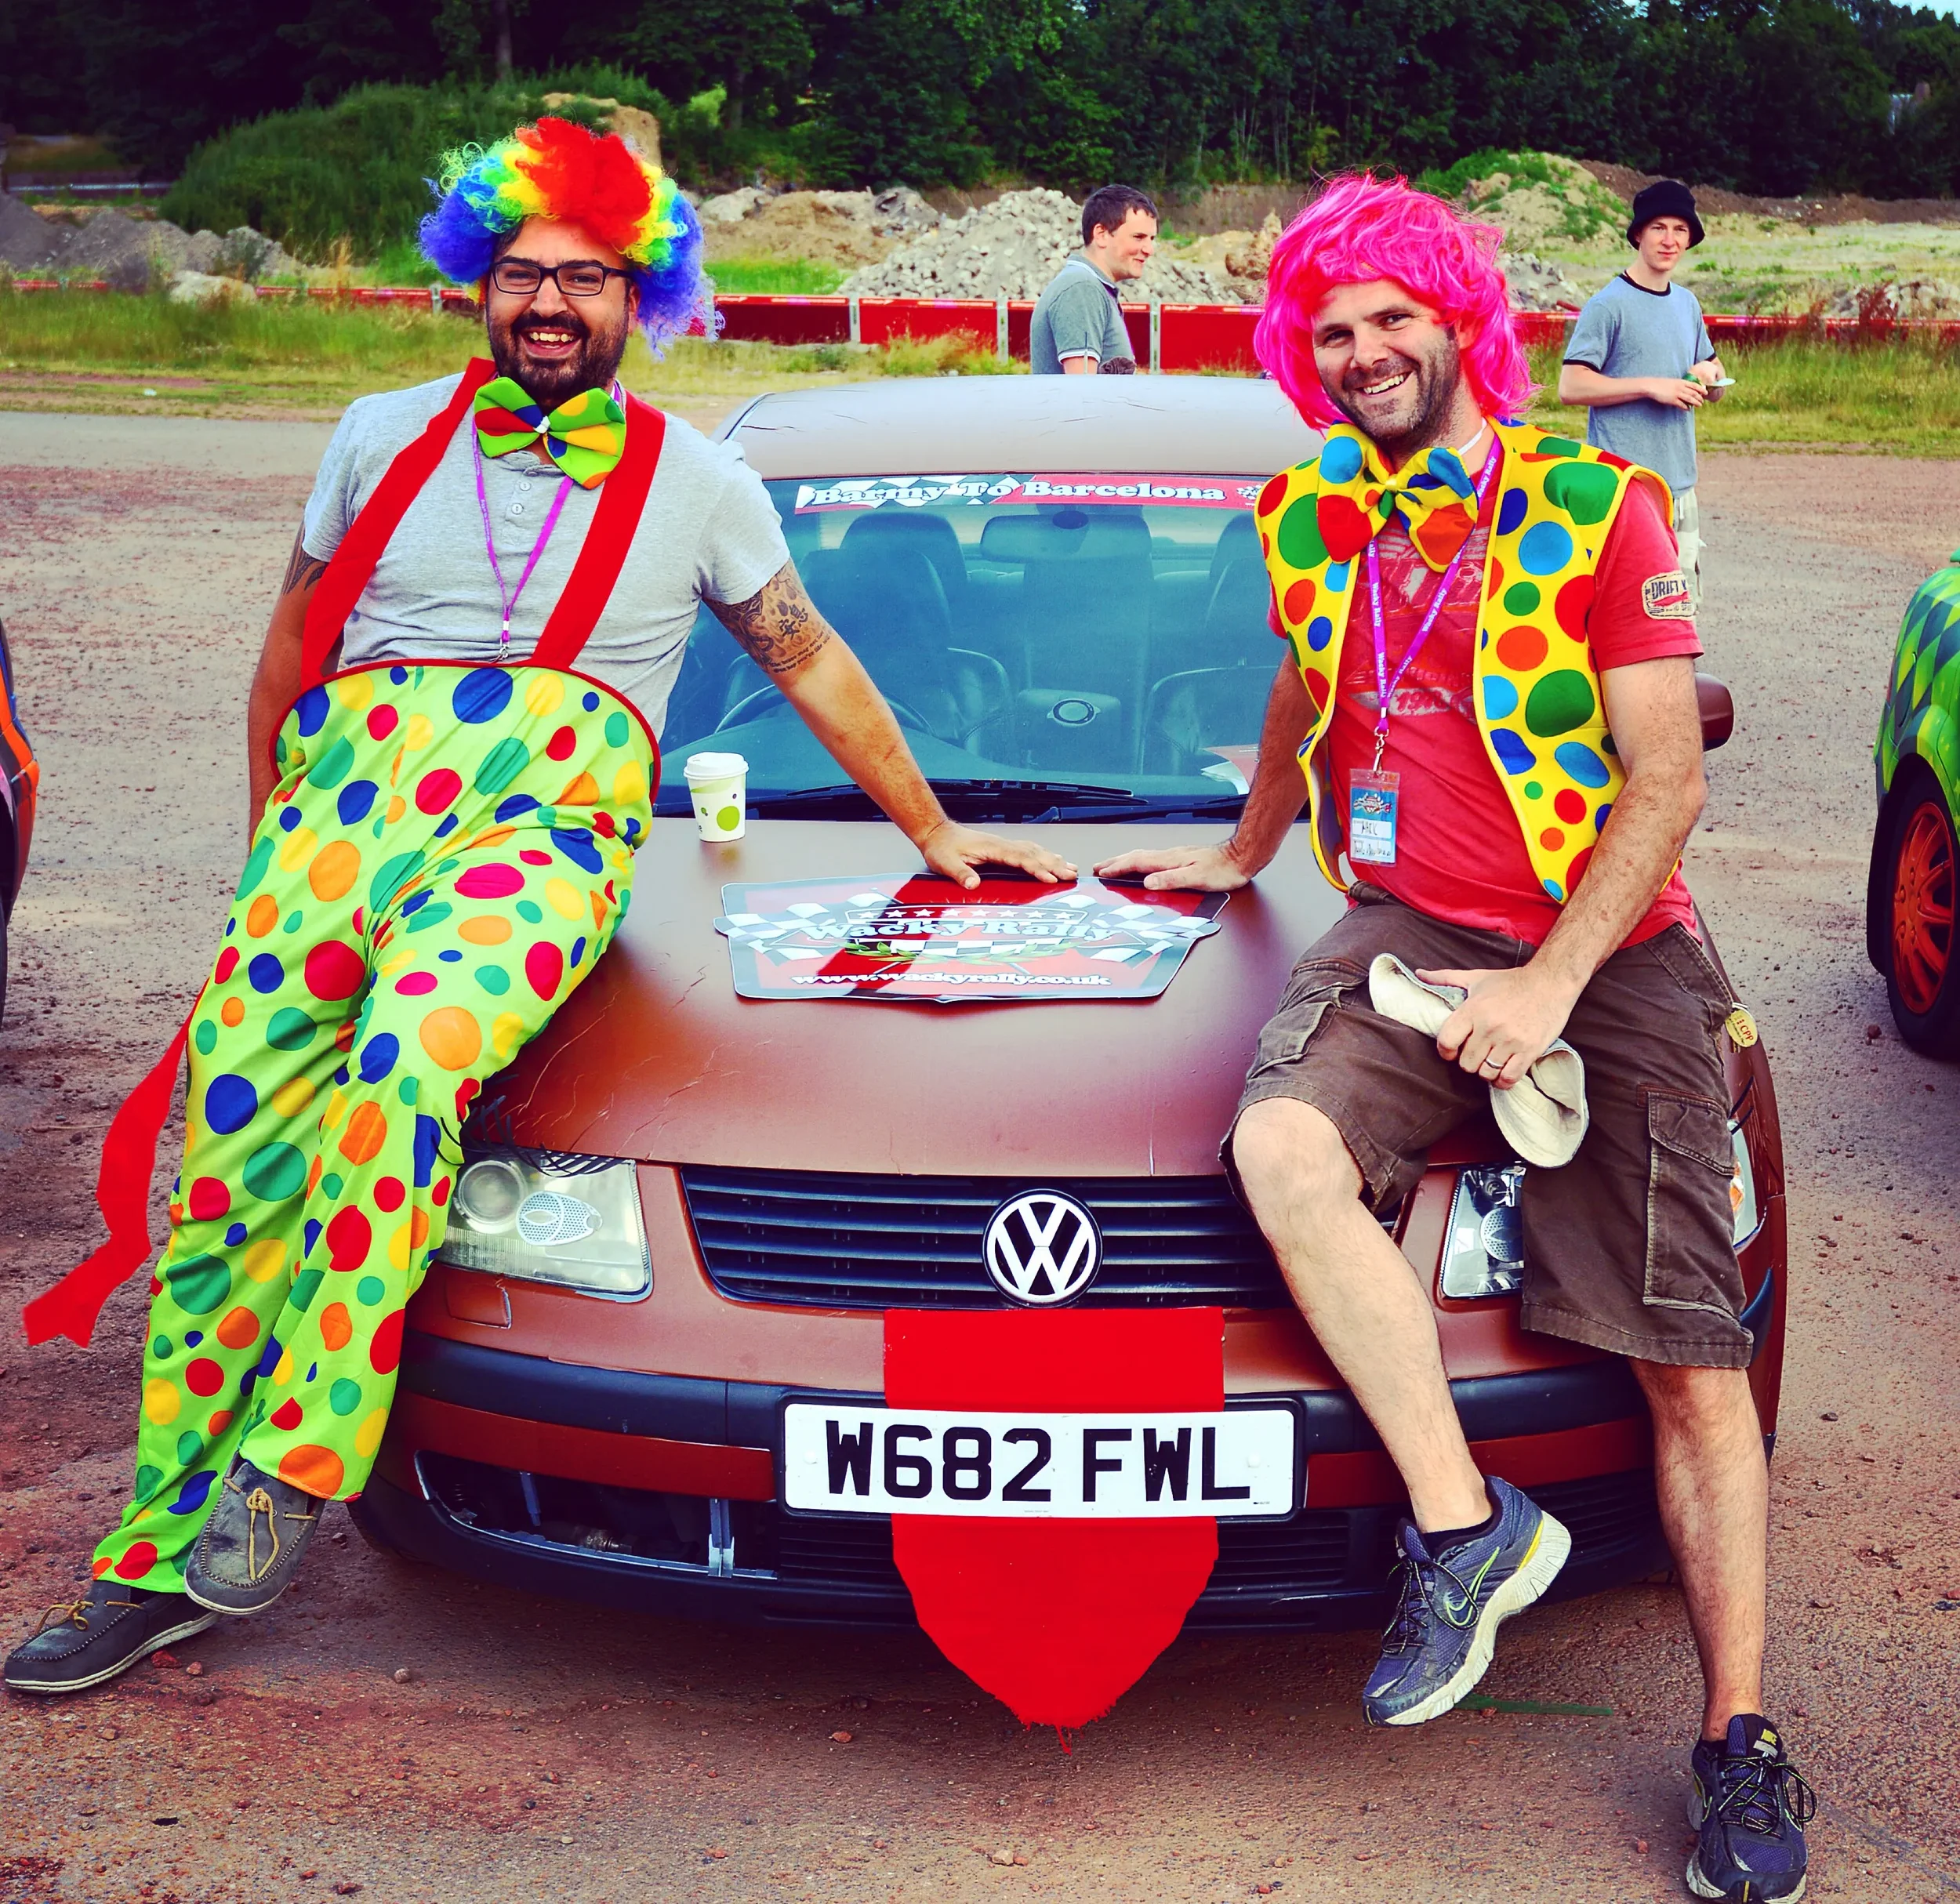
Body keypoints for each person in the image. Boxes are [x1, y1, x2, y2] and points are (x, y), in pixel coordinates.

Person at [7, 116, 1069, 1696]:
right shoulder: (375, 432)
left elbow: (807, 657)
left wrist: (936, 828)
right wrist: (262, 858)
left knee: (413, 1057)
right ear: (476, 285)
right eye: (522, 275)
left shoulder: (698, 483)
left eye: (585, 277)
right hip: (331, 826)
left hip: (536, 828)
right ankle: (154, 1558)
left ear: (641, 294)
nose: (551, 303)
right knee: (226, 1180)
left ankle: (300, 1457)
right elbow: (291, 654)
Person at [1095, 173, 1813, 1904]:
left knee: (1680, 1354)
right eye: (1327, 329)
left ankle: (1735, 1733)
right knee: (1279, 1144)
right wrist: (1246, 843)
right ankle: (1460, 1520)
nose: (1358, 354)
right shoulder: (1311, 514)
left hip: (1604, 939)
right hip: (1404, 929)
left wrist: (1548, 986)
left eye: (1387, 320)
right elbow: (1296, 682)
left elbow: (1667, 782)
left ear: (1456, 320)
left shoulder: (1594, 502)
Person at [1559, 180, 1725, 615]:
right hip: (1624, 487)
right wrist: (1651, 385)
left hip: (1680, 487)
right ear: (1638, 234)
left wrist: (1708, 375)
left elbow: (1712, 371)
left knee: (1678, 617)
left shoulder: (1687, 304)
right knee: (1627, 616)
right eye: (1658, 228)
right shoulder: (1608, 304)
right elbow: (1570, 386)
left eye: (1680, 230)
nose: (1669, 240)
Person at [1029, 183, 1157, 375]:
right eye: (1138, 237)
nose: (1149, 250)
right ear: (1101, 235)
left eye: (1151, 239)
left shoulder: (1090, 287)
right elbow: (1083, 395)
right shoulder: (1082, 288)